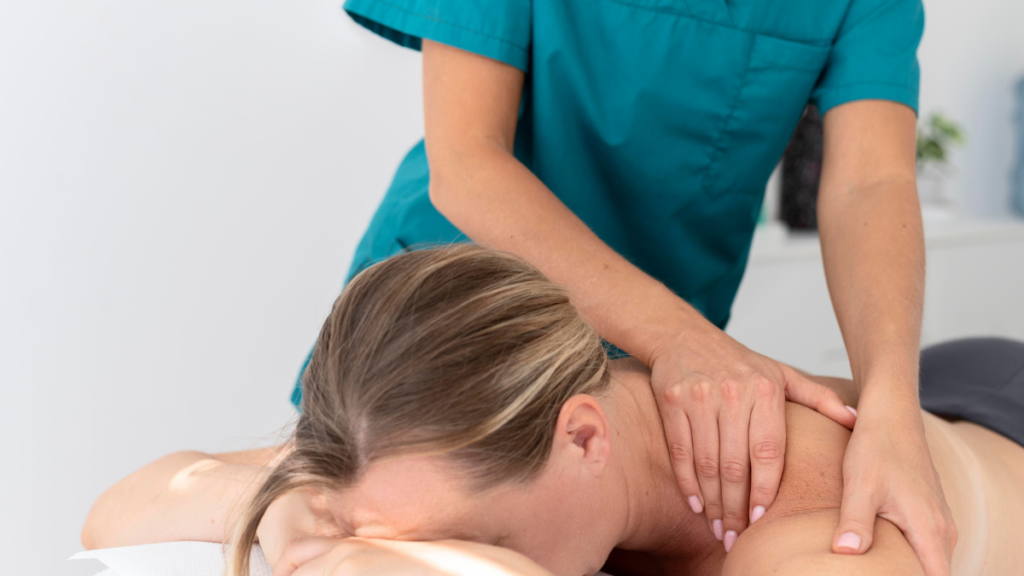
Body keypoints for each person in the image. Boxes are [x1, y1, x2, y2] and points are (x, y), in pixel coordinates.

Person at [301, 0, 948, 569]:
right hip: (465, 346)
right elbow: (469, 162)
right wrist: (678, 338)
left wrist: (892, 403)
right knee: (341, 529)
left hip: (651, 366)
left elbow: (872, 181)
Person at [84, 247, 1023, 576]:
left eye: (477, 541)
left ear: (583, 436)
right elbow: (123, 510)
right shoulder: (433, 442)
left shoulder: (808, 546)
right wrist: (295, 524)